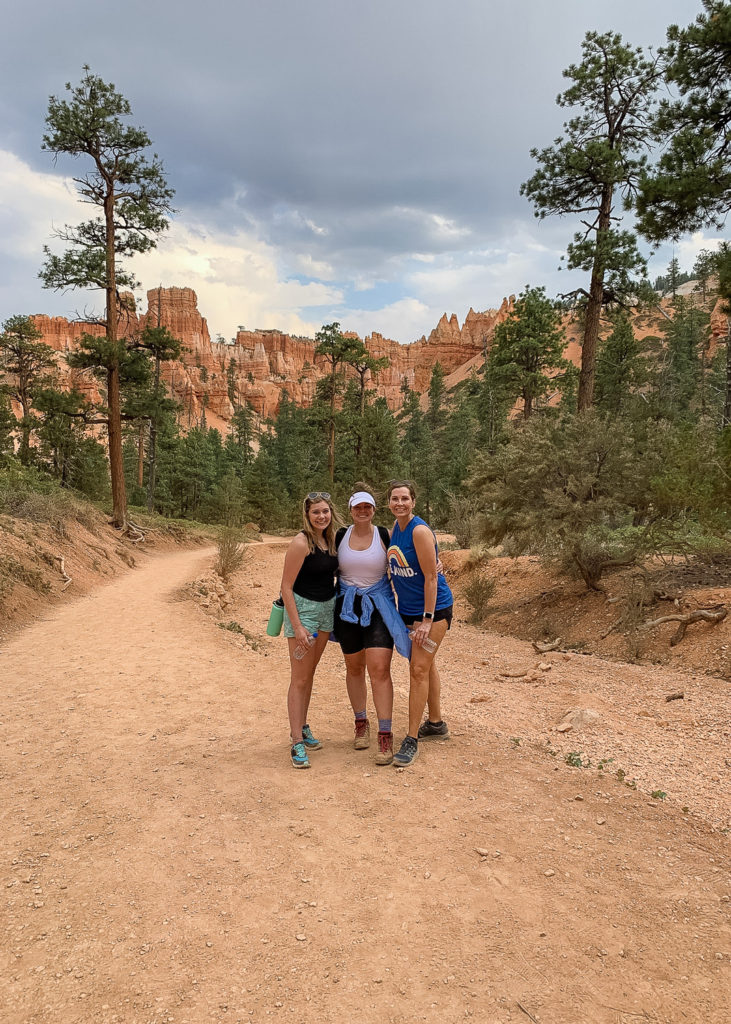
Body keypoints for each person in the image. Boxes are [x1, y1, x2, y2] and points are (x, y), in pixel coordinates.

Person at [333, 488, 411, 766]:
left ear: (374, 509)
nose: (363, 511)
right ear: (351, 509)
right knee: (354, 668)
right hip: (347, 609)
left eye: (368, 507)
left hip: (379, 606)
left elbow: (407, 559)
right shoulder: (340, 536)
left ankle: (385, 735)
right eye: (358, 507)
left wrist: (435, 564)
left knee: (380, 670)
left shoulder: (384, 535)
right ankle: (360, 722)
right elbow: (318, 558)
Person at [386, 479, 453, 767]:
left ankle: (411, 738)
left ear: (414, 501)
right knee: (426, 665)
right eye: (394, 498)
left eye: (404, 498)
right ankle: (435, 724)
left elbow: (430, 577)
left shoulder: (419, 530)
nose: (399, 503)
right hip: (409, 611)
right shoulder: (395, 530)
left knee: (417, 670)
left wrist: (426, 619)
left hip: (433, 612)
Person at [280, 492, 340, 769]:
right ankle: (295, 741)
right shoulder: (301, 542)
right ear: (307, 514)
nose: (321, 517)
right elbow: (286, 587)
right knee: (299, 678)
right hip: (303, 612)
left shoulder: (332, 540)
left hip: (327, 610)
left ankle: (303, 725)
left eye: (325, 511)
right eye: (316, 512)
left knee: (309, 673)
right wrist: (298, 626)